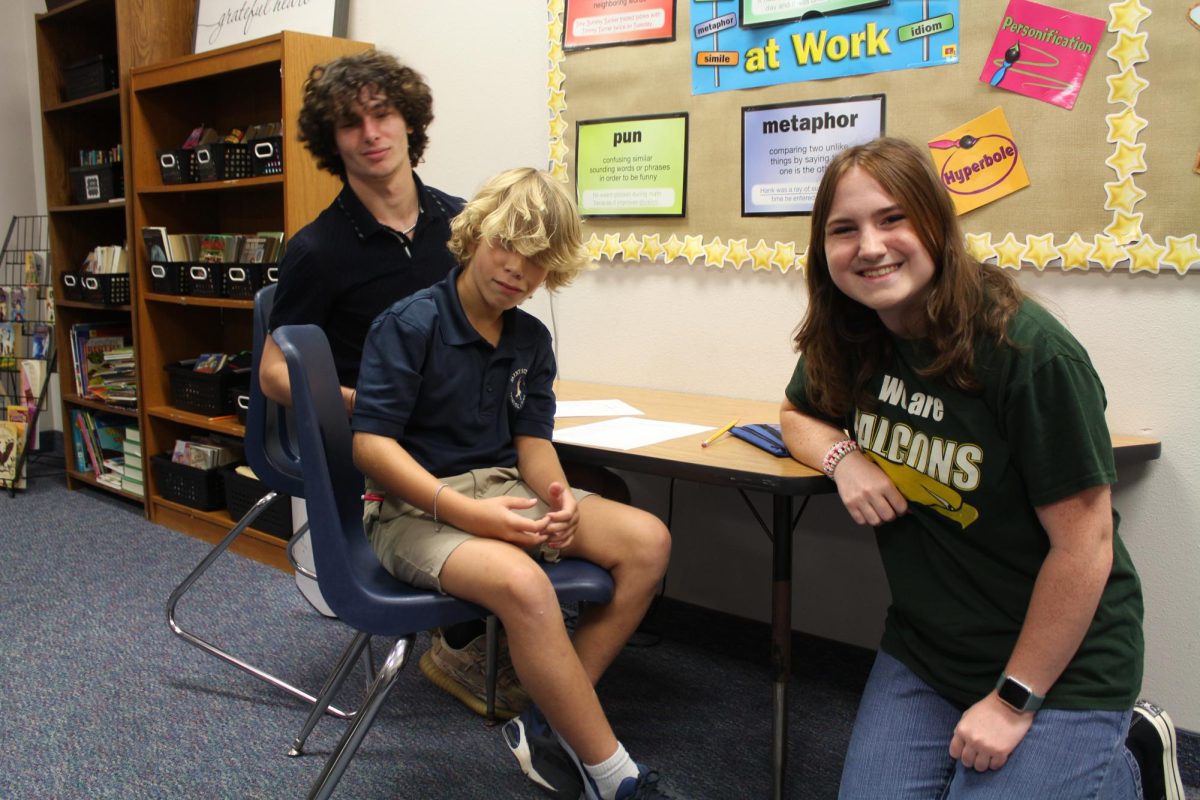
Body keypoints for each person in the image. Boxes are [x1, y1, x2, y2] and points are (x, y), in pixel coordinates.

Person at [778, 137, 1183, 800]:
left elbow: (1086, 548)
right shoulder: (854, 330)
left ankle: (1119, 762)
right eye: (844, 230)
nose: (870, 246)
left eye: (892, 219)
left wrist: (1012, 702)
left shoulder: (1027, 353)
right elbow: (797, 415)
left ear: (936, 223)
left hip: (1062, 663)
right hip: (927, 649)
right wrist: (843, 457)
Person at [351, 167, 681, 800]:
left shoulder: (531, 338)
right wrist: (460, 509)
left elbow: (533, 443)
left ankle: (547, 723)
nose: (515, 270)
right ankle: (614, 777)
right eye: (506, 245)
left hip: (499, 487)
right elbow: (370, 444)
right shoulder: (410, 324)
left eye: (536, 263)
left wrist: (557, 497)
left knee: (649, 542)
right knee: (525, 584)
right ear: (476, 235)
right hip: (410, 511)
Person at [256, 50, 531, 719]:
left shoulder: (465, 223)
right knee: (508, 508)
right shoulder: (318, 249)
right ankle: (469, 643)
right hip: (384, 436)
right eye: (351, 123)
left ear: (410, 123)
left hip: (467, 421)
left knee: (592, 489)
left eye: (383, 114)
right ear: (333, 142)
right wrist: (370, 401)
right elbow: (271, 371)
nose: (371, 133)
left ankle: (495, 646)